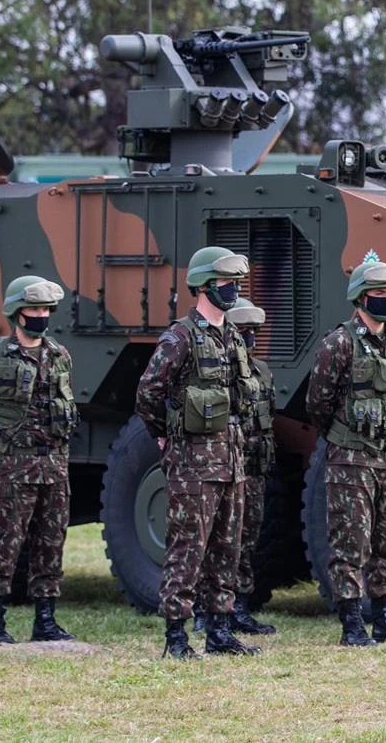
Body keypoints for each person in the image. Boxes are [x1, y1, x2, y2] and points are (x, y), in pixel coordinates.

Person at [135, 246, 260, 659]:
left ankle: (220, 630)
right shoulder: (182, 336)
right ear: (204, 285)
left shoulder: (231, 337)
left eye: (236, 284)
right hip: (194, 465)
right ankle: (177, 636)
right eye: (226, 284)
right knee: (188, 549)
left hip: (232, 463)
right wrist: (165, 436)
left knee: (227, 548)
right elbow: (148, 393)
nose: (234, 290)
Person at [306, 260, 386, 646]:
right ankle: (351, 623)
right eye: (379, 293)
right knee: (350, 541)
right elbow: (318, 403)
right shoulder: (339, 344)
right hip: (351, 459)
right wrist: (345, 438)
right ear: (360, 297)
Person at [0, 275, 79, 644]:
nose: (41, 315)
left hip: (54, 467)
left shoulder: (60, 355)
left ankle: (45, 621)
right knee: (4, 543)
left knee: (51, 543)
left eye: (46, 309)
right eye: (34, 309)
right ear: (17, 312)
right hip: (12, 469)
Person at [213, 297, 278, 635]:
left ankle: (239, 606)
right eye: (244, 331)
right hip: (223, 469)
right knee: (217, 540)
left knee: (247, 538)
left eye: (255, 331)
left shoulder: (261, 372)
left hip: (253, 469)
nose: (251, 338)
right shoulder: (216, 370)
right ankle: (207, 607)